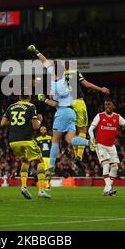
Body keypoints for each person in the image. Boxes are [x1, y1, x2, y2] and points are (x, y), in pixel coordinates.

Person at [27, 44, 90, 178]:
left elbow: (55, 102)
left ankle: (50, 166)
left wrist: (44, 99)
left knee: (55, 140)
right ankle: (89, 143)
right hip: (72, 112)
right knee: (70, 139)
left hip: (62, 112)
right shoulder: (63, 80)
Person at [1, 93, 50, 199]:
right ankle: (41, 189)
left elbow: (2, 123)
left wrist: (15, 124)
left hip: (13, 142)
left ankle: (23, 186)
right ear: (29, 98)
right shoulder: (31, 106)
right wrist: (39, 120)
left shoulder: (11, 106)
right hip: (26, 139)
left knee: (25, 161)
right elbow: (36, 126)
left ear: (19, 97)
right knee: (40, 161)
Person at [64, 63, 110, 173]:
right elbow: (86, 84)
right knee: (82, 129)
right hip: (78, 102)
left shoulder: (58, 77)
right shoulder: (75, 72)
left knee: (73, 131)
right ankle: (79, 156)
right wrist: (100, 89)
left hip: (66, 104)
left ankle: (76, 156)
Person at [88, 99, 125, 196]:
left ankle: (107, 189)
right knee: (106, 164)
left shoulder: (117, 117)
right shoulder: (100, 116)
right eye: (106, 104)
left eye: (109, 104)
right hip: (100, 145)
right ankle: (108, 188)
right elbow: (91, 129)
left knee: (115, 167)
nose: (107, 106)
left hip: (111, 146)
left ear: (113, 106)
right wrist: (92, 139)